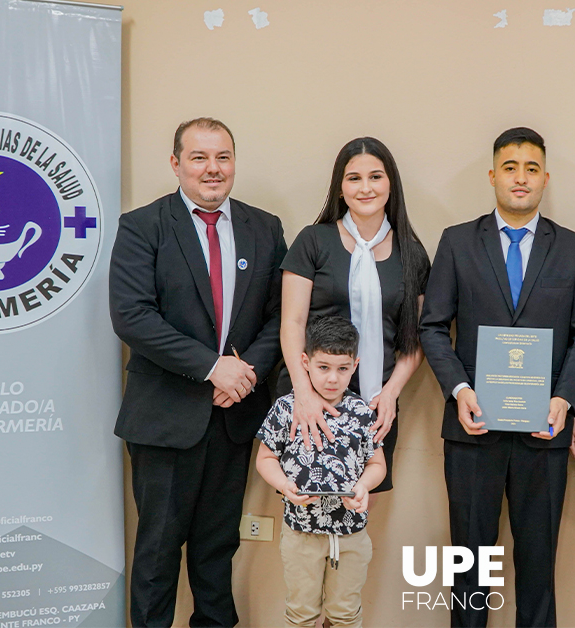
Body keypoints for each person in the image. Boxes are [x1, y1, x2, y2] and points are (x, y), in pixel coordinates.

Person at [419, 127, 575, 627]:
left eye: (532, 168)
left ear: (546, 178)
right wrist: (459, 390)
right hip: (473, 428)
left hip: (545, 429)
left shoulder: (571, 248)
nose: (521, 178)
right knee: (470, 565)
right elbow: (432, 326)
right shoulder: (457, 242)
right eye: (511, 168)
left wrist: (564, 399)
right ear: (493, 175)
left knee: (538, 566)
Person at [109, 118, 288, 627]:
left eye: (223, 157)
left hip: (233, 417)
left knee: (217, 549)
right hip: (166, 420)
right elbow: (133, 317)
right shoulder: (143, 225)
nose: (213, 169)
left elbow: (280, 316)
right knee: (158, 554)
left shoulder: (264, 226)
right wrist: (213, 369)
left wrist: (244, 372)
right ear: (176, 164)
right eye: (200, 157)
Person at [279, 137, 429, 500]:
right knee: (306, 506)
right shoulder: (314, 241)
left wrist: (391, 394)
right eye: (354, 178)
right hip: (311, 396)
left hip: (376, 405)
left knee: (359, 509)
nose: (366, 188)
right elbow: (291, 323)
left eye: (375, 177)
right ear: (340, 188)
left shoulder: (412, 253)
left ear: (390, 184)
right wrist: (304, 394)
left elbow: (414, 339)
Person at [256, 315, 386, 628]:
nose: (332, 378)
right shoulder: (287, 408)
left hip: (351, 532)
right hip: (301, 532)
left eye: (342, 369)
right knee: (301, 612)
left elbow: (377, 464)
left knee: (345, 613)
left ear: (355, 365)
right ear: (305, 362)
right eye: (323, 367)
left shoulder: (361, 412)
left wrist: (364, 487)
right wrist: (285, 484)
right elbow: (264, 458)